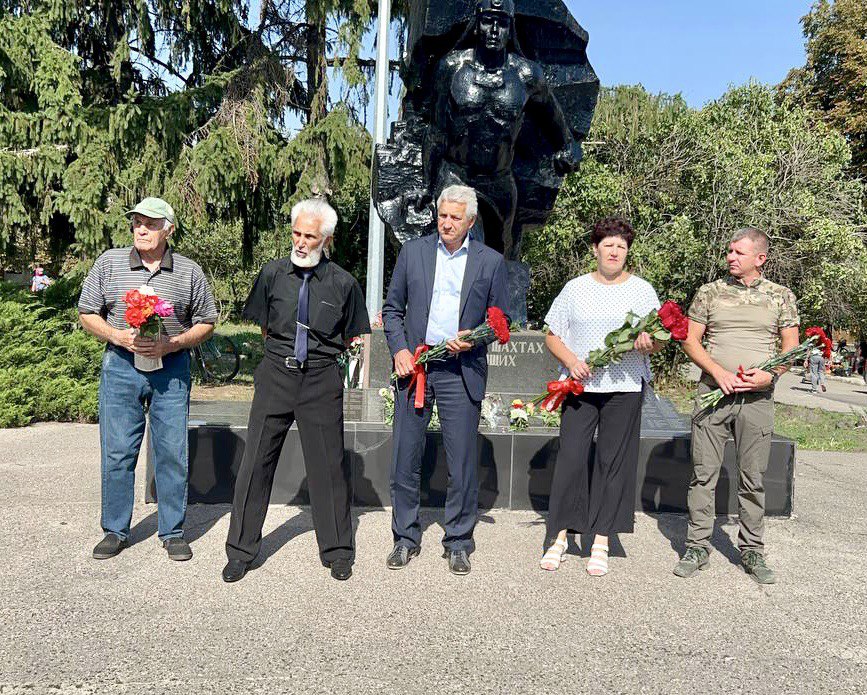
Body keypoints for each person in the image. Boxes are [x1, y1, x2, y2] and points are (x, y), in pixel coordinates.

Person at [222, 198, 371, 583]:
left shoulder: (343, 283)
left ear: (326, 239)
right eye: (296, 233)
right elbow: (265, 327)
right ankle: (240, 550)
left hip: (321, 379)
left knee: (328, 466)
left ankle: (337, 550)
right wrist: (284, 356)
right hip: (276, 374)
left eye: (310, 236)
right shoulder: (272, 274)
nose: (301, 242)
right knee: (255, 462)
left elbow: (352, 334)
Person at [78, 197, 218, 561]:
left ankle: (172, 531)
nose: (141, 228)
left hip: (171, 370)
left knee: (172, 451)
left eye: (150, 223)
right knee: (118, 451)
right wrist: (117, 336)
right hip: (121, 366)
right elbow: (87, 312)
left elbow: (207, 321)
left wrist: (172, 344)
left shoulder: (189, 272)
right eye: (137, 221)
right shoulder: (109, 263)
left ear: (168, 229)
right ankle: (115, 530)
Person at [382, 184, 509, 575]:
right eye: (442, 215)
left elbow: (499, 322)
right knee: (405, 457)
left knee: (462, 463)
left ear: (470, 221)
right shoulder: (413, 252)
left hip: (461, 371)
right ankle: (405, 537)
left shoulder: (490, 262)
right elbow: (392, 309)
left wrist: (472, 339)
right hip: (416, 367)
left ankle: (458, 541)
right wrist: (401, 350)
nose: (447, 223)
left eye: (455, 217)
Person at [675, 227, 799, 585]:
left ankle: (752, 550)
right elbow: (690, 340)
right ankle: (697, 546)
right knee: (703, 474)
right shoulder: (709, 293)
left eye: (738, 253)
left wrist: (769, 376)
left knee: (753, 477)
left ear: (760, 258)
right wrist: (717, 372)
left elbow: (790, 347)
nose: (730, 257)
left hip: (756, 400)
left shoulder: (780, 296)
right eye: (729, 252)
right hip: (714, 395)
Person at [539, 218, 663, 576]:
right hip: (580, 387)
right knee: (571, 459)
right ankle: (559, 536)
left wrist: (647, 343)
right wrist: (571, 361)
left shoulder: (642, 291)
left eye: (621, 246)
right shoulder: (574, 288)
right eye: (608, 244)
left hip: (624, 388)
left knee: (613, 462)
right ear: (595, 249)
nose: (614, 251)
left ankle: (601, 539)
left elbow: (657, 341)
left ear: (628, 253)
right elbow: (552, 336)